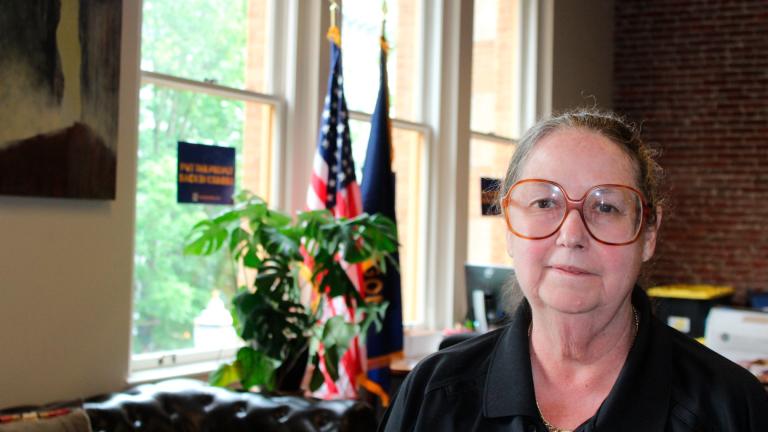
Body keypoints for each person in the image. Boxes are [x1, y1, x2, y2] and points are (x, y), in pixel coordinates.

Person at [378, 110, 768, 431]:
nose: (571, 234)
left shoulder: (732, 410)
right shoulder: (430, 398)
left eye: (606, 207)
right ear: (510, 229)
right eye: (545, 203)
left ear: (648, 234)